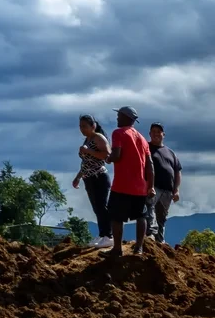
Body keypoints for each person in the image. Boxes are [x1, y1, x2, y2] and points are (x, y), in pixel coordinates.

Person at [106, 106, 155, 257]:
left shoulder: (118, 133)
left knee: (116, 217)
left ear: (126, 118)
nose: (117, 119)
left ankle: (117, 249)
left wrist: (108, 158)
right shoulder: (142, 139)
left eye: (119, 116)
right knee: (141, 216)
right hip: (140, 186)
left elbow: (117, 155)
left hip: (121, 185)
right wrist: (150, 186)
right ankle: (138, 248)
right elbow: (150, 165)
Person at [71, 115, 112, 246]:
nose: (82, 129)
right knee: (96, 207)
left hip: (99, 176)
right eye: (80, 126)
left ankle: (109, 235)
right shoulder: (86, 140)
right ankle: (102, 234)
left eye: (84, 126)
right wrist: (78, 177)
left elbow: (107, 155)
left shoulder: (98, 138)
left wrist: (89, 151)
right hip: (88, 178)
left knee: (102, 206)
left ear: (92, 126)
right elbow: (86, 163)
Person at [146, 122, 182, 243]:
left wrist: (176, 190)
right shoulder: (145, 148)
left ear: (163, 134)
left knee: (162, 217)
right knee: (149, 208)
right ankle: (150, 234)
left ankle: (159, 241)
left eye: (159, 132)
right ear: (149, 134)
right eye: (153, 131)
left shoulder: (170, 152)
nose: (156, 134)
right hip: (152, 186)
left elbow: (177, 171)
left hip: (168, 190)